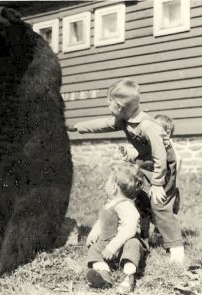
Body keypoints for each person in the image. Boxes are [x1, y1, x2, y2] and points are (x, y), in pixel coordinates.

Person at [68, 78, 184, 263]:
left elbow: (161, 155)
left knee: (159, 204)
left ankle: (176, 248)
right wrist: (77, 127)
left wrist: (157, 183)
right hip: (145, 165)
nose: (107, 107)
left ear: (120, 106)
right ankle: (141, 239)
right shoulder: (124, 119)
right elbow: (104, 123)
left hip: (162, 170)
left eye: (109, 103)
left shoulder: (147, 126)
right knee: (137, 198)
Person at [86, 163, 145, 294]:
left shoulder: (126, 205)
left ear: (114, 187)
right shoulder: (110, 204)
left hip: (123, 243)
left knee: (133, 245)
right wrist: (94, 233)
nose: (105, 183)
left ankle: (128, 275)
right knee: (94, 249)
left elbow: (129, 229)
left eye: (107, 180)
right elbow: (101, 221)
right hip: (108, 244)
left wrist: (113, 247)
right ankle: (103, 273)